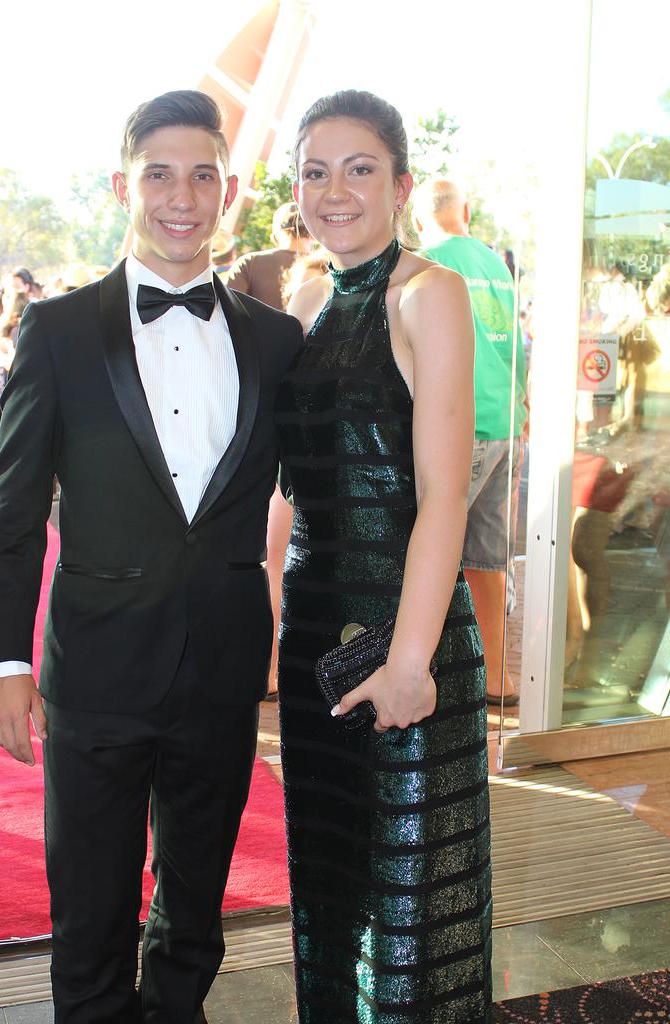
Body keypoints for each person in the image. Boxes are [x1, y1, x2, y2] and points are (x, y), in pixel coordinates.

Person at [0, 89, 302, 1024]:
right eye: (160, 174)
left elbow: (317, 489)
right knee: (90, 910)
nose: (182, 196)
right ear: (124, 185)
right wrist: (3, 660)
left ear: (229, 189)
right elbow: (12, 511)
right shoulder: (61, 331)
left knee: (195, 911)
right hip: (98, 669)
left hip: (223, 668)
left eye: (203, 175)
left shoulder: (276, 343)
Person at [277, 90, 492, 1022]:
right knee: (332, 896)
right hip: (315, 636)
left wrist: (410, 663)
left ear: (402, 183)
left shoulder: (429, 294)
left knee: (404, 919)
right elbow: (293, 483)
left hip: (404, 637)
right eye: (316, 171)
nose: (337, 191)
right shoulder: (307, 294)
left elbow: (444, 494)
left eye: (360, 168)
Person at [413, 179, 527, 707]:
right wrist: (522, 404)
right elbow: (519, 347)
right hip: (504, 421)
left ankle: (431, 679)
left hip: (461, 424)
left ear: (418, 217)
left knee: (426, 553)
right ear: (466, 210)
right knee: (487, 560)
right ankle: (498, 676)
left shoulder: (425, 265)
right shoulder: (497, 265)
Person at [226, 201, 314, 312]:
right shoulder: (328, 270)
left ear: (275, 233)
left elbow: (228, 311)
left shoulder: (249, 263)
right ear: (313, 233)